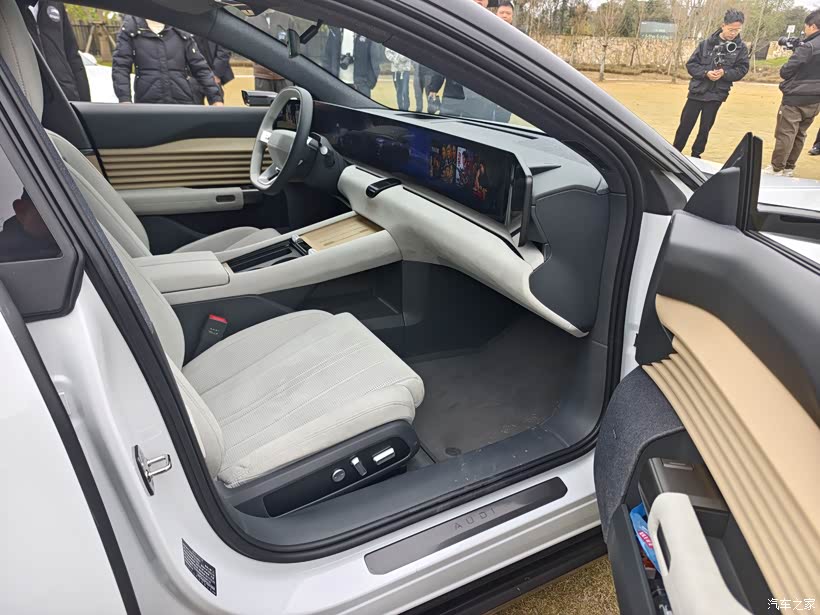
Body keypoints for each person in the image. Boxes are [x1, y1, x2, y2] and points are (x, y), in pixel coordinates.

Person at [672, 9, 749, 159]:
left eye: (737, 30)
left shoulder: (741, 48)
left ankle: (696, 156)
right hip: (697, 92)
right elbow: (691, 65)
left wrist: (724, 73)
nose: (734, 33)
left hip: (717, 94)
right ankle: (674, 154)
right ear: (723, 25)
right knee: (685, 126)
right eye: (731, 29)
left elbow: (742, 69)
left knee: (705, 129)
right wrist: (706, 73)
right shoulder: (706, 44)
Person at [112, 17, 223, 105]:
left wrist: (215, 99)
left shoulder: (180, 28)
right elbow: (121, 66)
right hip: (147, 105)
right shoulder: (131, 28)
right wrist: (124, 99)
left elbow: (200, 67)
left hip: (182, 103)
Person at [764, 10, 820, 176]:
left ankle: (776, 167)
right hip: (815, 99)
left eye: (806, 27)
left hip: (796, 97)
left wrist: (797, 52)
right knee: (800, 133)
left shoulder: (808, 47)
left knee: (786, 133)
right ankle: (789, 167)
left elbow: (786, 71)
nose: (805, 30)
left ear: (813, 26)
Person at [16, 0, 90, 101]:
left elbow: (73, 55)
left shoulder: (56, 4)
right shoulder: (8, 7)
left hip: (67, 95)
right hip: (30, 99)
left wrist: (85, 101)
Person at [249, 10, 293, 92]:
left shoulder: (287, 18)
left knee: (286, 99)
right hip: (261, 75)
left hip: (284, 75)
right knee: (263, 100)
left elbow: (295, 45)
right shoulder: (251, 19)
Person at [192, 36, 233, 103]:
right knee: (194, 107)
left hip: (213, 76)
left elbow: (224, 52)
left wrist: (216, 74)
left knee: (217, 105)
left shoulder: (218, 31)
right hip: (193, 76)